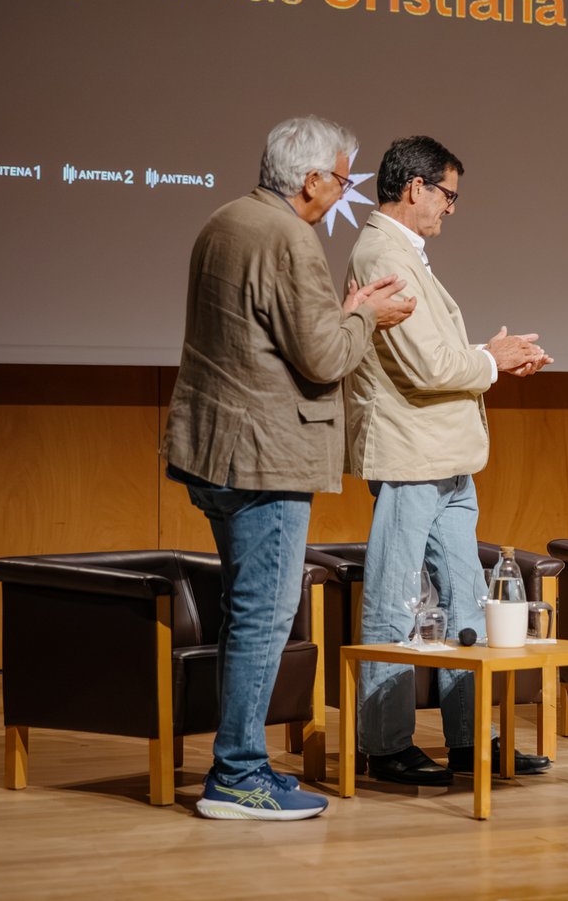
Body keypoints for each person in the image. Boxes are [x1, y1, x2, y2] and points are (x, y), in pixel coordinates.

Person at [163, 115, 415, 820]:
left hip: (217, 448)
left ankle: (240, 764)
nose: (344, 192)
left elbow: (270, 334)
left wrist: (345, 311)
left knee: (248, 611)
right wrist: (367, 318)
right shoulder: (289, 237)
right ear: (310, 180)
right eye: (342, 180)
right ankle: (237, 775)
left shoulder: (225, 220)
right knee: (262, 616)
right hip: (264, 459)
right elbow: (324, 357)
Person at [345, 135, 553, 786]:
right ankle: (385, 746)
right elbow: (427, 366)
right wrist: (492, 359)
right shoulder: (382, 253)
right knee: (395, 599)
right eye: (448, 195)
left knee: (468, 598)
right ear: (416, 188)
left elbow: (434, 355)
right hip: (411, 454)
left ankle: (470, 741)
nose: (451, 208)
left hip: (445, 454)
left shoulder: (404, 252)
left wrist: (493, 355)